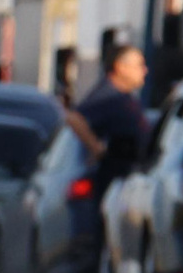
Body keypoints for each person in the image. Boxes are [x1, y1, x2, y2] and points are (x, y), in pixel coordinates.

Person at [63, 41, 152, 179]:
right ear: (121, 67)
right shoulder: (108, 95)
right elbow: (74, 118)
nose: (145, 70)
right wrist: (97, 148)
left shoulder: (124, 95)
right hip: (114, 176)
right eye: (139, 65)